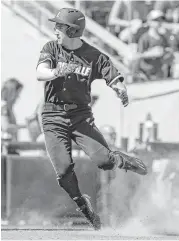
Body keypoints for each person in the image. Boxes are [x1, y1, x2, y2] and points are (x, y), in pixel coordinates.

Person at [36, 8, 147, 230]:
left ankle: (126, 160)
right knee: (64, 170)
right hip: (52, 115)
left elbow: (113, 77)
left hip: (80, 116)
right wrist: (57, 71)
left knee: (104, 162)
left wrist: (121, 89)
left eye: (59, 26)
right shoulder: (51, 48)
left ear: (72, 29)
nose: (55, 29)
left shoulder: (94, 55)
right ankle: (84, 206)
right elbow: (40, 72)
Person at [135, 10, 173, 80]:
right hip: (146, 74)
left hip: (160, 73)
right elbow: (137, 56)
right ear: (149, 21)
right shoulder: (144, 38)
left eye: (160, 20)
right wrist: (150, 53)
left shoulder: (163, 38)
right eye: (156, 20)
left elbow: (167, 53)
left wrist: (167, 53)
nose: (159, 22)